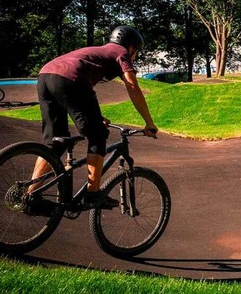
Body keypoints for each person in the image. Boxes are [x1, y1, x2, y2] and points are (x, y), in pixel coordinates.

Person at [29, 26, 158, 210]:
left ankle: (30, 196)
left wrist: (96, 116)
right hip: (70, 79)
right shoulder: (121, 52)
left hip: (45, 76)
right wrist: (149, 122)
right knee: (98, 134)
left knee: (54, 143)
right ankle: (93, 193)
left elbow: (77, 96)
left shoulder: (97, 52)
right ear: (132, 48)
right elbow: (133, 88)